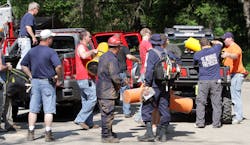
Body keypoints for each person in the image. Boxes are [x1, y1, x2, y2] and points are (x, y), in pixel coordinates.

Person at [21, 29, 63, 142]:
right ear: (48, 39)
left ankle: (31, 133)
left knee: (33, 109)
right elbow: (58, 67)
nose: (52, 40)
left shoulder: (32, 51)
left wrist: (31, 76)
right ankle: (48, 134)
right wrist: (59, 78)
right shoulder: (51, 52)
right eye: (52, 38)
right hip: (47, 83)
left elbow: (23, 65)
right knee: (48, 109)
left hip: (35, 82)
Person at [138, 34, 171, 142]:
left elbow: (149, 70)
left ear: (151, 42)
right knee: (164, 108)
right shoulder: (166, 52)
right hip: (164, 85)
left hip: (153, 85)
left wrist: (147, 84)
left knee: (146, 108)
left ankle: (149, 134)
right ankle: (162, 134)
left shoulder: (151, 53)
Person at [96, 34, 123, 143]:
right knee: (108, 114)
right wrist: (121, 83)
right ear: (117, 47)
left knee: (105, 113)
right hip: (107, 90)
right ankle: (106, 136)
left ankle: (109, 132)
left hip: (101, 89)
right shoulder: (112, 59)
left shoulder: (104, 56)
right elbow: (115, 77)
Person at [193, 38, 223, 128]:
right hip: (216, 80)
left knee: (201, 102)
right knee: (217, 102)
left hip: (203, 81)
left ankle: (200, 123)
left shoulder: (197, 54)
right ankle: (216, 124)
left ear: (200, 45)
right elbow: (220, 43)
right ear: (209, 43)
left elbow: (194, 64)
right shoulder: (215, 49)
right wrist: (213, 42)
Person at [73, 30, 99, 130]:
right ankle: (80, 119)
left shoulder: (85, 47)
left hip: (87, 78)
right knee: (93, 98)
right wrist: (92, 51)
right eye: (89, 36)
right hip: (85, 78)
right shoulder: (80, 47)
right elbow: (83, 55)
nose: (90, 38)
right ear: (84, 37)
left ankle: (89, 123)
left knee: (86, 101)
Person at [221, 32, 247, 124]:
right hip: (230, 74)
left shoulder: (235, 47)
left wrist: (228, 55)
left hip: (237, 74)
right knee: (232, 95)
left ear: (230, 39)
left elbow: (235, 56)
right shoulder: (226, 48)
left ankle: (238, 117)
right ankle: (237, 115)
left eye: (225, 39)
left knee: (235, 96)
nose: (223, 40)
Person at [116, 34, 140, 118]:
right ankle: (126, 112)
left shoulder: (109, 49)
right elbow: (129, 57)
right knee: (125, 91)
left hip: (111, 73)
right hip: (122, 72)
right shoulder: (123, 48)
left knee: (111, 91)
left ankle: (110, 111)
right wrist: (137, 60)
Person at [134, 28, 152, 124]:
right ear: (147, 34)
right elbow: (152, 55)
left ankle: (141, 116)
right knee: (147, 94)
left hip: (143, 70)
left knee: (146, 94)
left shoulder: (141, 44)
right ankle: (140, 116)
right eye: (150, 34)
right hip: (147, 70)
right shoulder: (147, 43)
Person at [16, 2, 39, 69]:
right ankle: (18, 73)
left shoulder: (25, 16)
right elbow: (28, 27)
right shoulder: (30, 16)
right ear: (34, 9)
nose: (38, 11)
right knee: (25, 58)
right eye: (37, 9)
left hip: (22, 39)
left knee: (25, 57)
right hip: (25, 39)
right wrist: (33, 37)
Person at [0, 32, 14, 133]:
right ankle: (7, 124)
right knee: (3, 103)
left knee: (5, 103)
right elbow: (0, 67)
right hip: (1, 81)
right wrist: (8, 67)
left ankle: (8, 124)